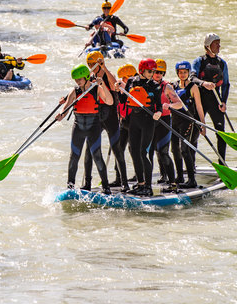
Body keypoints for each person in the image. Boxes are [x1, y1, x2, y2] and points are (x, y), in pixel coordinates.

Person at [56, 64, 114, 194]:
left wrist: (102, 85)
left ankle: (106, 187)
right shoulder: (74, 91)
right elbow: (66, 107)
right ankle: (70, 187)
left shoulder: (96, 88)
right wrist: (61, 115)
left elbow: (110, 101)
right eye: (76, 79)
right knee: (74, 157)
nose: (77, 82)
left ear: (86, 77)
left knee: (97, 156)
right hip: (78, 126)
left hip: (94, 126)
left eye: (79, 79)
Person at [115, 59, 164, 197]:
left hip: (148, 121)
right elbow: (123, 100)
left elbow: (159, 105)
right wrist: (118, 90)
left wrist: (158, 113)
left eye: (153, 71)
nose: (152, 74)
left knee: (143, 153)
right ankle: (140, 183)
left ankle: (148, 187)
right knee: (134, 152)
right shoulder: (131, 81)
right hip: (134, 121)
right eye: (149, 71)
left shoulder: (155, 85)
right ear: (142, 70)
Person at [81, 51, 128, 191]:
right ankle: (87, 183)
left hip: (111, 116)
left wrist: (104, 68)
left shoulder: (108, 74)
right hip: (96, 116)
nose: (91, 66)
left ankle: (124, 183)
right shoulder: (90, 77)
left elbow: (114, 86)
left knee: (116, 149)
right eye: (89, 64)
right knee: (89, 150)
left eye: (93, 64)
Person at [190, 33, 230, 160]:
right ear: (208, 46)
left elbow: (226, 84)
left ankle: (222, 163)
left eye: (219, 43)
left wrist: (224, 102)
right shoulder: (199, 61)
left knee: (221, 133)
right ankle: (191, 164)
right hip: (199, 101)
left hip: (215, 102)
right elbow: (192, 78)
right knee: (194, 132)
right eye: (216, 43)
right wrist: (204, 83)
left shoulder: (222, 63)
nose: (219, 46)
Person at [148, 59, 185, 188]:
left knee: (163, 152)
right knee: (149, 152)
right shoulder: (146, 85)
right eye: (156, 72)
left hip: (164, 121)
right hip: (150, 121)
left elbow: (179, 104)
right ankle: (148, 183)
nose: (158, 74)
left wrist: (169, 105)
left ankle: (173, 182)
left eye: (161, 72)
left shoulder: (167, 87)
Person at [171, 61, 206, 190]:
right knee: (174, 150)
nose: (182, 74)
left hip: (188, 121)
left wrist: (203, 124)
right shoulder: (173, 86)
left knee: (184, 150)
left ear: (188, 73)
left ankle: (192, 180)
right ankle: (180, 177)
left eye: (185, 72)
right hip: (174, 121)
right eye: (180, 72)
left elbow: (199, 106)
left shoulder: (193, 87)